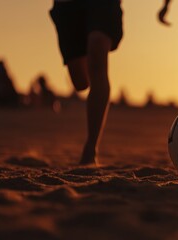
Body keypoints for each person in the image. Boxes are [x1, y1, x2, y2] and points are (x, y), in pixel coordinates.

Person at [49, 0, 123, 165]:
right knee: (80, 82)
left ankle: (91, 148)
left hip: (102, 4)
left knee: (97, 54)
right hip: (67, 5)